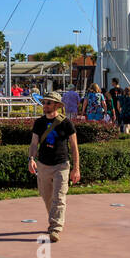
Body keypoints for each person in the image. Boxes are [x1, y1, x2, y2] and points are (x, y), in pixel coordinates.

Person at [28, 92, 80, 242]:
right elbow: (33, 143)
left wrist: (76, 168)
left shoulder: (66, 123)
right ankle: (55, 219)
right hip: (43, 165)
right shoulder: (39, 123)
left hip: (61, 165)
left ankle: (55, 228)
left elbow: (74, 147)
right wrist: (31, 159)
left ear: (57, 105)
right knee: (47, 197)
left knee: (58, 197)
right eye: (44, 103)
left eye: (49, 103)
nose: (45, 105)